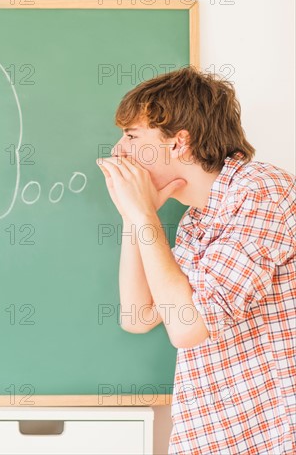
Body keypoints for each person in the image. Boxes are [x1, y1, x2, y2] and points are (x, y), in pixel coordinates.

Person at [96, 66, 295, 454]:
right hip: (218, 436)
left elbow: (189, 327)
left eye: (132, 136)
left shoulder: (261, 193)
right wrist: (134, 217)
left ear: (178, 143)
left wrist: (144, 217)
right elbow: (137, 316)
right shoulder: (196, 221)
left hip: (273, 436)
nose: (119, 151)